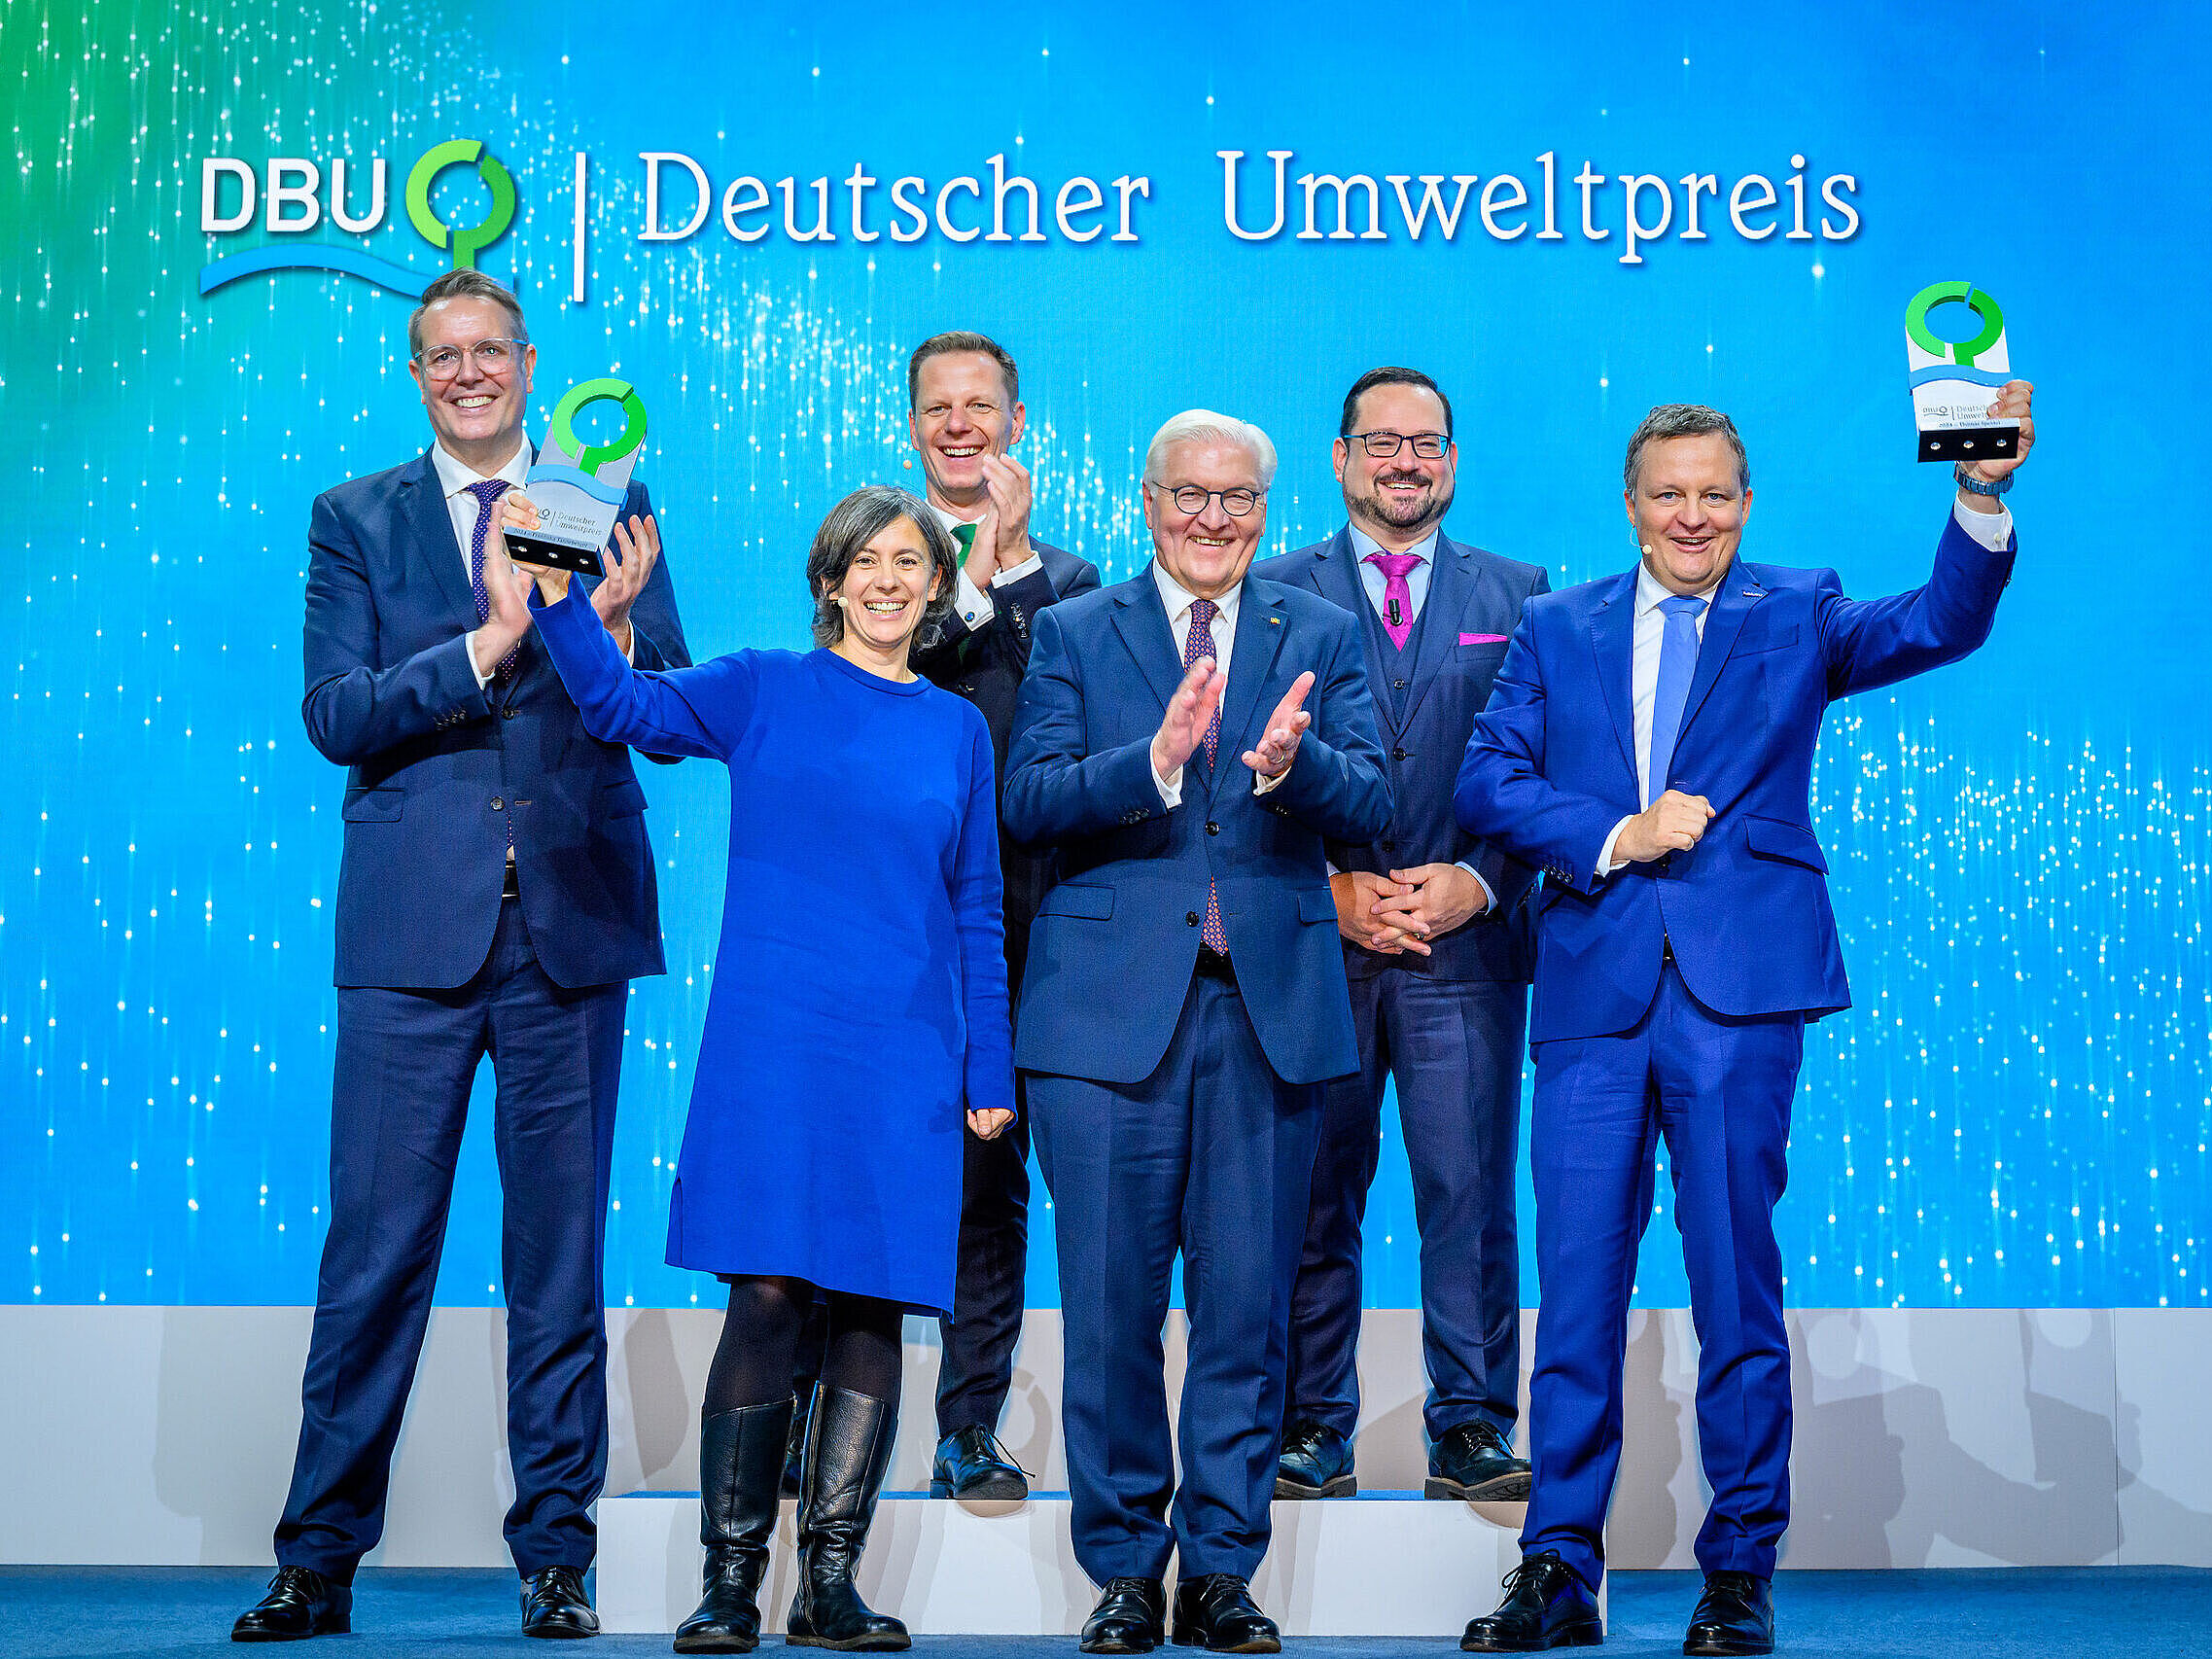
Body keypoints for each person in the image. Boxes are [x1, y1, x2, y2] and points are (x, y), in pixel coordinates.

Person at [1454, 390, 2034, 1655]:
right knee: (1578, 1290)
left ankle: (1736, 1569)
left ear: (1744, 501)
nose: (1691, 514)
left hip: (1741, 992)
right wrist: (1612, 832)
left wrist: (1977, 495)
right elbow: (1485, 778)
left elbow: (1936, 622)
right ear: (1629, 503)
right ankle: (1555, 1563)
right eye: (1668, 492)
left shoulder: (1796, 609)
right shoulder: (1555, 625)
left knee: (1731, 1282)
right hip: (1594, 996)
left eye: (1713, 492)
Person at [231, 269, 691, 1644]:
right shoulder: (353, 518)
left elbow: (667, 712)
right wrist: (494, 639)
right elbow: (336, 712)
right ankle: (317, 1555)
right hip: (410, 937)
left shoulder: (603, 500)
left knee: (557, 1261)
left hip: (570, 926)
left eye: (492, 350)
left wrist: (608, 632)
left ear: (527, 359)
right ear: (415, 370)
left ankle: (556, 1552)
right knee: (375, 1252)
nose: (470, 372)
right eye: (445, 354)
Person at [504, 482, 1017, 1654]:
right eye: (866, 562)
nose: (889, 581)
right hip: (776, 1042)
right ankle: (729, 1582)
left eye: (910, 563)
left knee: (875, 1301)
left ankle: (827, 1583)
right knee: (771, 1293)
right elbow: (618, 704)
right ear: (829, 581)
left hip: (908, 1055)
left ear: (938, 586)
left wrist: (990, 1061)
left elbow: (978, 907)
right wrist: (560, 595)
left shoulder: (958, 729)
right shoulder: (762, 684)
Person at [1004, 410, 1391, 1654]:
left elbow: (1377, 796)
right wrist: (1154, 760)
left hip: (1267, 1018)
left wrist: (1297, 768)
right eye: (1190, 496)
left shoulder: (1322, 633)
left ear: (1266, 511)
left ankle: (1221, 1569)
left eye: (1237, 500)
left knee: (1244, 1314)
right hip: (1104, 1024)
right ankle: (1122, 1568)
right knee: (1110, 1309)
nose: (1212, 519)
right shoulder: (1072, 628)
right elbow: (1029, 800)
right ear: (1148, 497)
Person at [783, 332, 1101, 1504]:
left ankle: (967, 1421)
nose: (959, 424)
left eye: (981, 406)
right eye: (937, 407)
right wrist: (963, 577)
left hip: (1014, 928)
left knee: (988, 1178)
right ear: (911, 424)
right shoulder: (872, 565)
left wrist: (1005, 570)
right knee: (837, 1165)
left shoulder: (1070, 588)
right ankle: (803, 1419)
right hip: (867, 935)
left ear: (1017, 422)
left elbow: (1054, 722)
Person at [1255, 367, 1548, 1506]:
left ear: (1453, 460)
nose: (1404, 460)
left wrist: (1482, 880)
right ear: (1339, 459)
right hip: (1313, 946)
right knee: (1307, 1190)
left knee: (1466, 1190)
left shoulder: (1520, 594)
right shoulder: (1273, 591)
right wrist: (1327, 889)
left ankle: (1470, 1419)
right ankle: (1307, 1422)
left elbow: (1556, 771)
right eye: (1380, 440)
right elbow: (1238, 777)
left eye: (1426, 440)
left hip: (1461, 947)